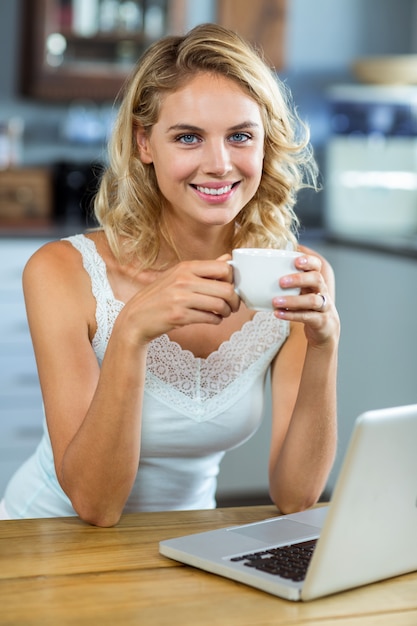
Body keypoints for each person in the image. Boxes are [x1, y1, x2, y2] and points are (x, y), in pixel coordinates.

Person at [0, 23, 340, 527]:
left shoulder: (297, 277)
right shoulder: (62, 271)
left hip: (185, 546)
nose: (220, 164)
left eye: (241, 136)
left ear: (265, 144)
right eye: (188, 137)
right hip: (45, 537)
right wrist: (132, 330)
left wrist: (324, 346)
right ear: (144, 143)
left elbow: (295, 497)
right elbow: (96, 505)